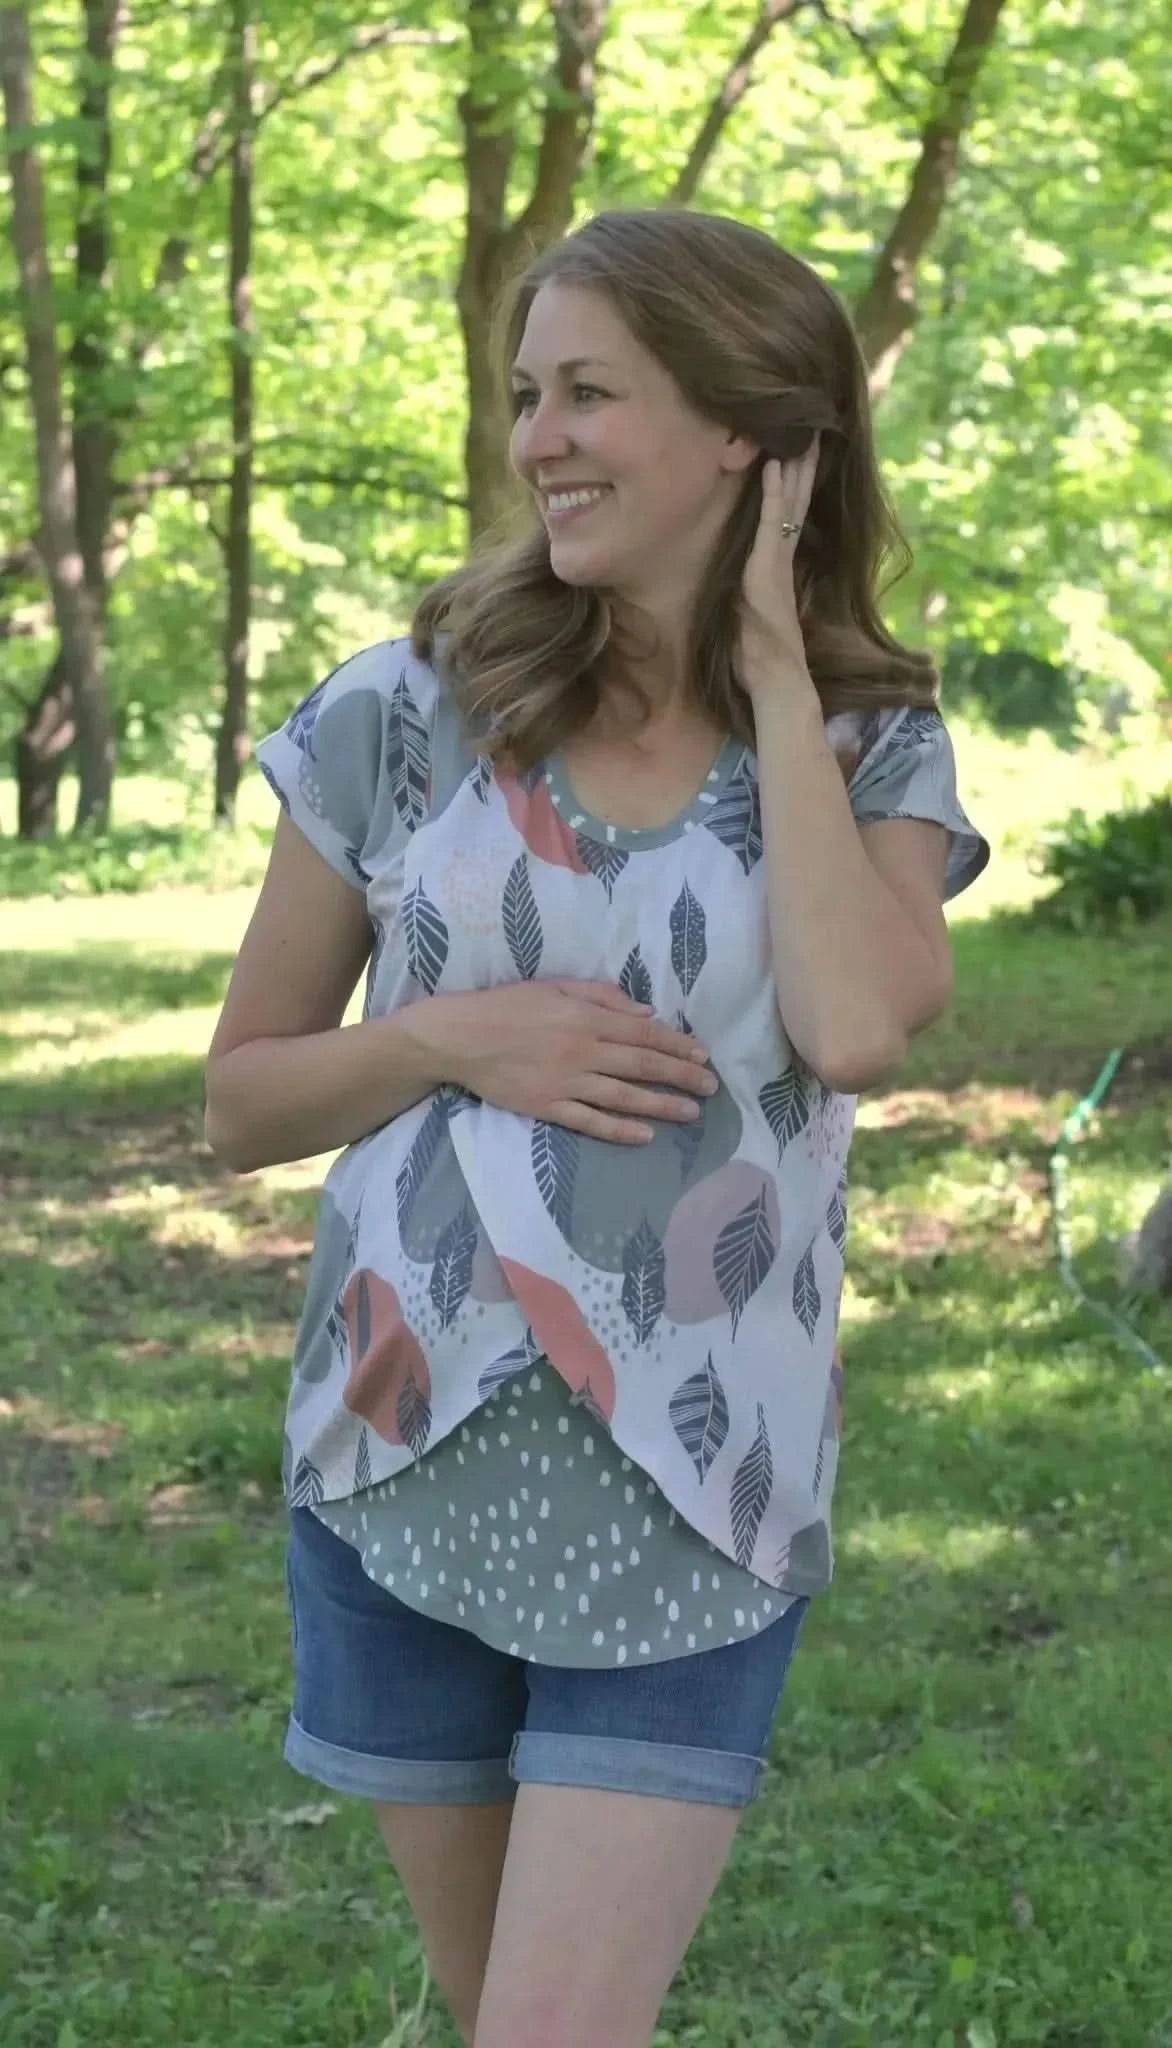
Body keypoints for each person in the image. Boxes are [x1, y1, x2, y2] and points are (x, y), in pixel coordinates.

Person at [204, 207, 989, 2048]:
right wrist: (452, 1036)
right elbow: (240, 1099)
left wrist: (778, 679)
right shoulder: (407, 708)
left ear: (750, 435)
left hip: (701, 1487)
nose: (537, 438)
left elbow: (854, 1025)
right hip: (402, 1451)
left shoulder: (870, 744)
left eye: (588, 394)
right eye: (524, 394)